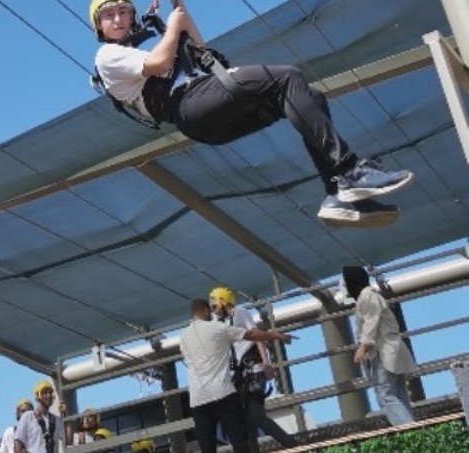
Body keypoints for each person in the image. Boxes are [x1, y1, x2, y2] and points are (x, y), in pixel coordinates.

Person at [89, 0, 413, 227]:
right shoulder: (108, 56)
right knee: (288, 77)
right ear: (99, 27)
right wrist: (172, 25)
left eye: (123, 12)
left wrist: (176, 13)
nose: (118, 20)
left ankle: (338, 195)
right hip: (191, 104)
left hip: (207, 119)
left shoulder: (142, 50)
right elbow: (160, 62)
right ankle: (350, 170)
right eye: (109, 16)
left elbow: (195, 41)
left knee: (309, 96)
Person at [178, 298, 294, 453]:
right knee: (239, 440)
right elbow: (252, 335)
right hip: (223, 393)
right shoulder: (216, 327)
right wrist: (277, 336)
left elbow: (185, 356)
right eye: (211, 310)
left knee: (207, 446)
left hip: (198, 399)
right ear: (205, 311)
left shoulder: (183, 338)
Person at [209, 287, 299, 452]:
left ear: (223, 302)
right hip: (237, 376)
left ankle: (294, 445)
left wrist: (266, 362)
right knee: (245, 420)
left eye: (214, 306)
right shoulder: (218, 322)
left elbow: (256, 335)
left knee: (256, 415)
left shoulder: (240, 312)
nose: (213, 310)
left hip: (254, 370)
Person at [344, 266, 419, 426]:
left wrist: (363, 347)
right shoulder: (373, 296)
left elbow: (371, 322)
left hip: (383, 351)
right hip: (392, 348)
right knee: (398, 393)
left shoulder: (367, 297)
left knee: (385, 395)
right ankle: (412, 428)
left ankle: (409, 429)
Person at [14, 381, 64, 453]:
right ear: (38, 396)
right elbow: (18, 441)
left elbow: (68, 439)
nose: (48, 395)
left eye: (50, 392)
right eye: (44, 393)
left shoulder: (55, 419)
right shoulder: (28, 416)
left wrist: (64, 415)